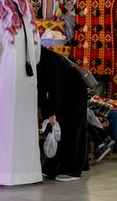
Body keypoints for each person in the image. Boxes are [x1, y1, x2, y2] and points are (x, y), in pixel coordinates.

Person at [0, 0, 41, 186]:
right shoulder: (32, 26)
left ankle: (0, 175)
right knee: (24, 128)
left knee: (3, 129)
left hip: (4, 85)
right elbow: (37, 57)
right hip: (28, 86)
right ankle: (26, 174)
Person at [37, 47, 89, 182]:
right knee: (57, 131)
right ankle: (51, 167)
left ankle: (73, 169)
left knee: (72, 129)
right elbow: (41, 90)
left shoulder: (49, 59)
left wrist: (52, 113)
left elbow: (55, 88)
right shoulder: (38, 59)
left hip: (75, 93)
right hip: (64, 94)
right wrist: (47, 112)